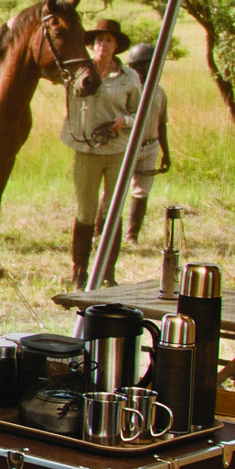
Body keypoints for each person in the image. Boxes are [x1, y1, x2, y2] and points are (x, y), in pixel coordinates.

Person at [62, 18, 143, 287]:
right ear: (92, 45)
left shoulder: (130, 77)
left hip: (117, 149)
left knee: (112, 210)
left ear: (116, 45)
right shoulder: (78, 72)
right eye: (98, 40)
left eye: (108, 40)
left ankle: (108, 271)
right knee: (85, 210)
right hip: (86, 150)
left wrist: (125, 122)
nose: (102, 45)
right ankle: (79, 272)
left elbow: (139, 113)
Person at [121, 40, 171, 245]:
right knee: (114, 192)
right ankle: (101, 233)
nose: (144, 69)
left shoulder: (159, 92)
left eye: (149, 64)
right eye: (139, 65)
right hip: (125, 147)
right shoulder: (125, 90)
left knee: (141, 192)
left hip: (150, 147)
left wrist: (166, 152)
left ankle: (132, 236)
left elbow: (162, 125)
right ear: (131, 67)